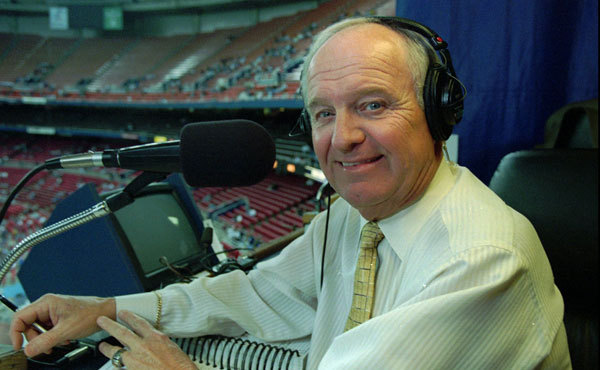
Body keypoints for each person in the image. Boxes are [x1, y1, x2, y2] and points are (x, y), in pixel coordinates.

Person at [10, 16, 571, 369]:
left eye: (373, 104)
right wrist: (107, 309)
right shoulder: (352, 216)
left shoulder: (479, 260)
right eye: (324, 114)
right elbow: (253, 297)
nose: (344, 137)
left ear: (437, 112)